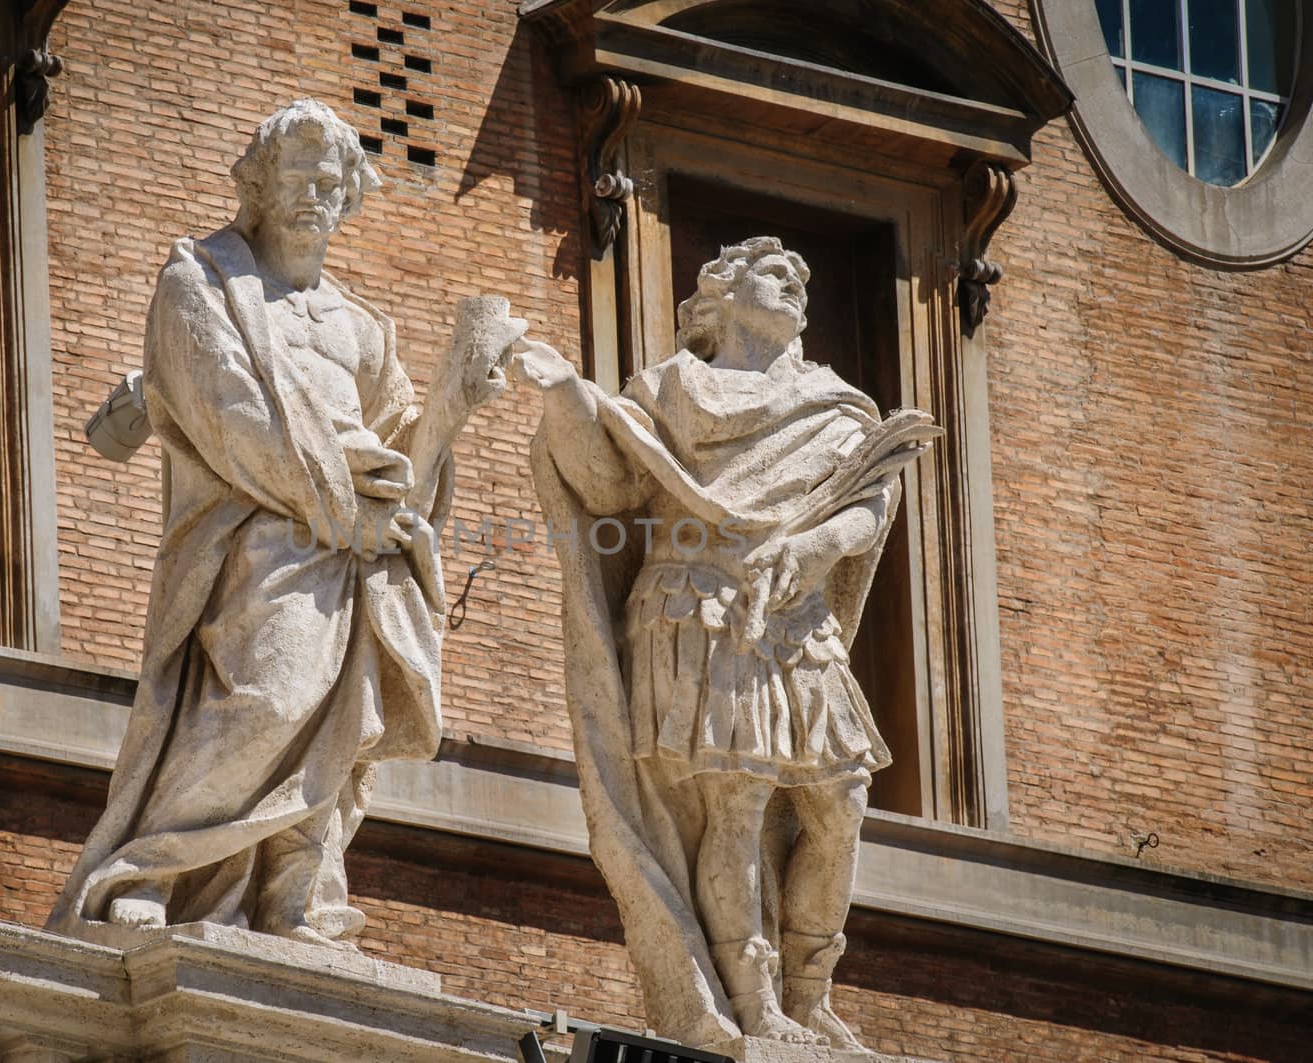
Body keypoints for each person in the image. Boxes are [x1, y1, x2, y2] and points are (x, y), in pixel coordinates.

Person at [49, 99, 516, 949]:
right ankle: (148, 867)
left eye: (329, 181)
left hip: (358, 552)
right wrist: (346, 492)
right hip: (254, 537)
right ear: (257, 185)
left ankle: (290, 899)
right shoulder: (203, 279)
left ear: (349, 197)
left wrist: (455, 400)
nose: (312, 195)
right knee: (266, 698)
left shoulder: (363, 327)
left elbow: (404, 454)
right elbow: (229, 415)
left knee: (336, 723)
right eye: (295, 177)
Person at [516, 236, 935, 1048]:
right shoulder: (672, 387)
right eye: (777, 273)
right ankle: (755, 1002)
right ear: (722, 290)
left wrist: (813, 548)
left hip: (794, 619)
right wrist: (566, 397)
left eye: (803, 280)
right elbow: (607, 485)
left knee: (840, 804)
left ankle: (811, 989)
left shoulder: (838, 403)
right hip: (695, 605)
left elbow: (868, 506)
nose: (797, 287)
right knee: (735, 811)